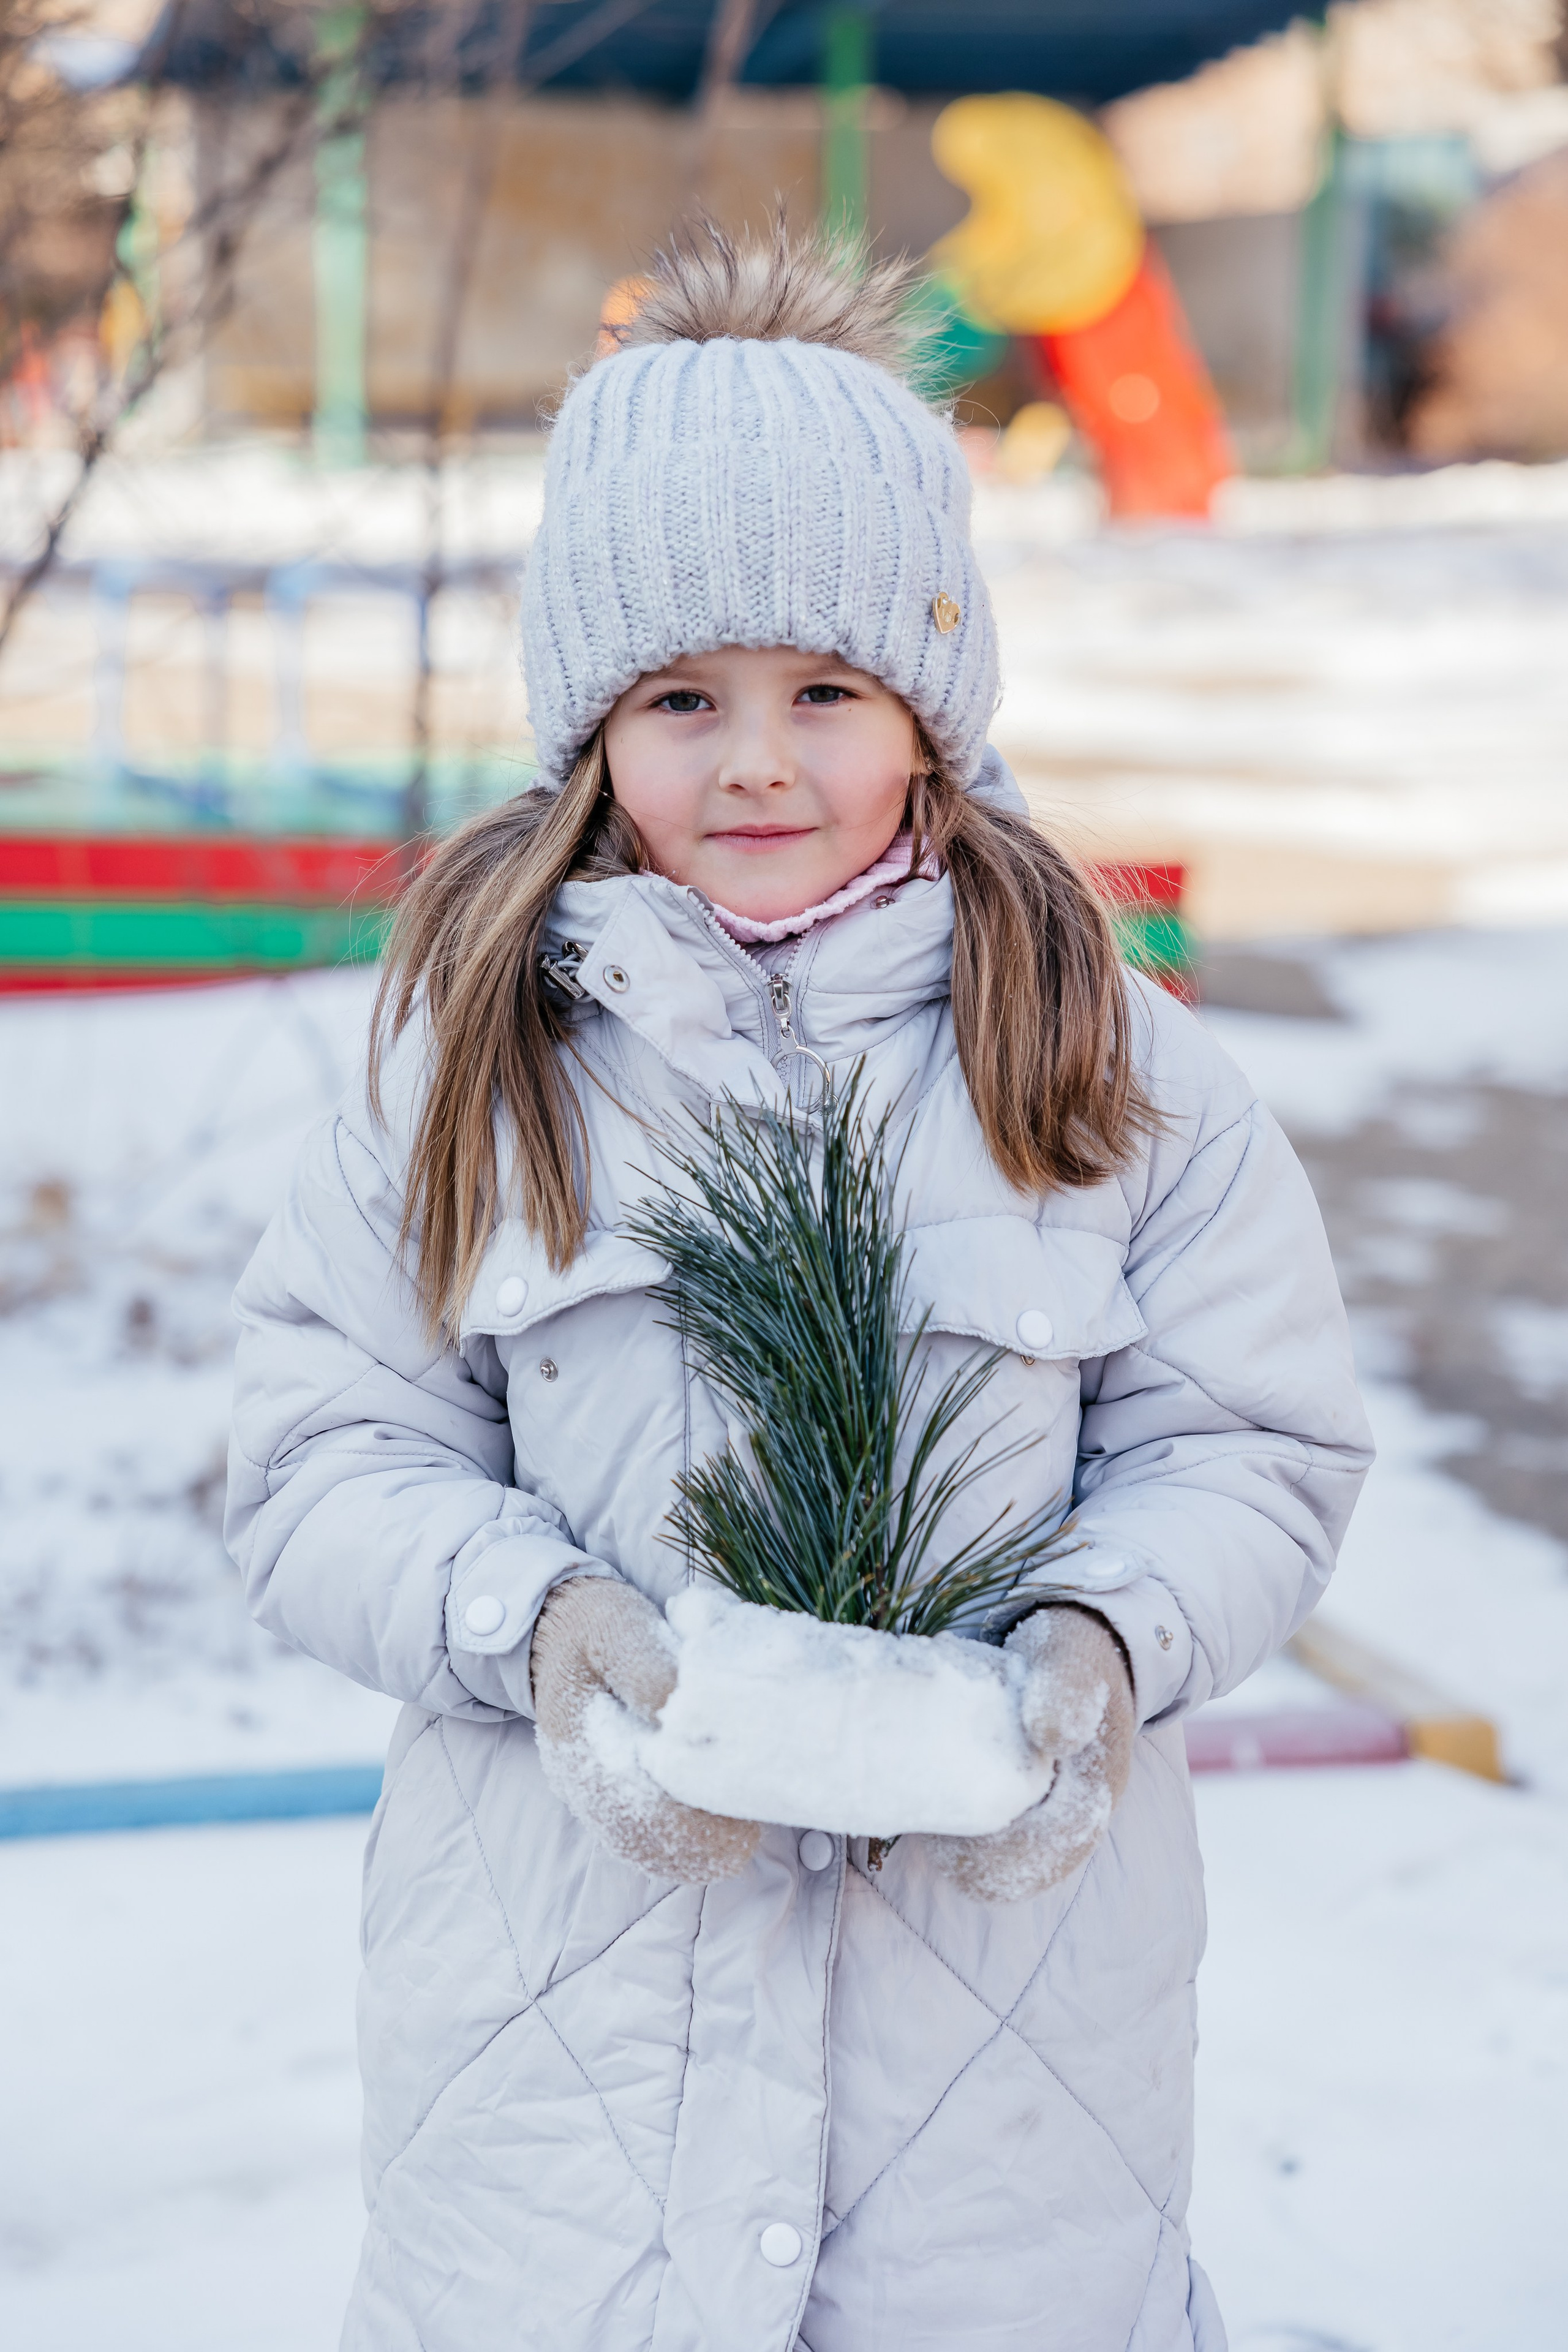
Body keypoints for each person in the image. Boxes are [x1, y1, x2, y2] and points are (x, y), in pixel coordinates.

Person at [227, 224, 1371, 2352]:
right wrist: (539, 1626)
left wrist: (1103, 1644)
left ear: (930, 709)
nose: (756, 763)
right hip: (561, 2077)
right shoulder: (476, 1062)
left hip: (1001, 2099)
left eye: (825, 691)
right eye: (683, 699)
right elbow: (325, 1445)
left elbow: (1249, 1438)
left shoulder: (1097, 1058)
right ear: (593, 725)